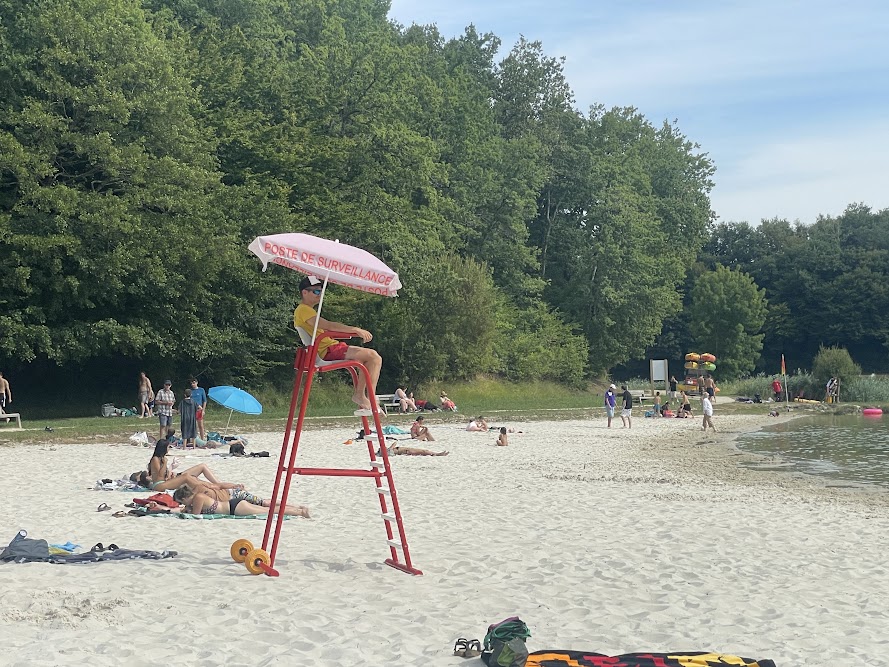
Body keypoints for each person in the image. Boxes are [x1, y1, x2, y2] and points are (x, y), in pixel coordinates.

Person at [294, 275, 382, 413]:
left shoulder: (306, 310)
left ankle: (361, 395)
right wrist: (354, 330)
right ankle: (370, 398)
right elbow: (329, 326)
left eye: (321, 291)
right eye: (316, 291)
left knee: (365, 360)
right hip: (327, 350)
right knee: (374, 356)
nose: (320, 294)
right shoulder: (303, 310)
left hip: (329, 347)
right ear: (304, 292)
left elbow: (326, 329)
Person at [145, 439, 235, 491]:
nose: (169, 448)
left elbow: (165, 477)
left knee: (197, 474)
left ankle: (220, 485)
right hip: (159, 485)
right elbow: (159, 478)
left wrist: (171, 469)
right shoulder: (155, 459)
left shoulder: (162, 458)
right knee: (187, 477)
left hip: (166, 482)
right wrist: (166, 464)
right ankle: (216, 487)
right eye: (168, 447)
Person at [171, 485, 310, 517]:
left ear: (184, 498)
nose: (183, 504)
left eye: (181, 502)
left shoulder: (198, 498)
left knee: (269, 511)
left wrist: (184, 511)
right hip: (234, 505)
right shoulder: (198, 496)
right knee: (268, 510)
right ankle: (298, 510)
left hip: (234, 508)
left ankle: (299, 512)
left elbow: (196, 515)